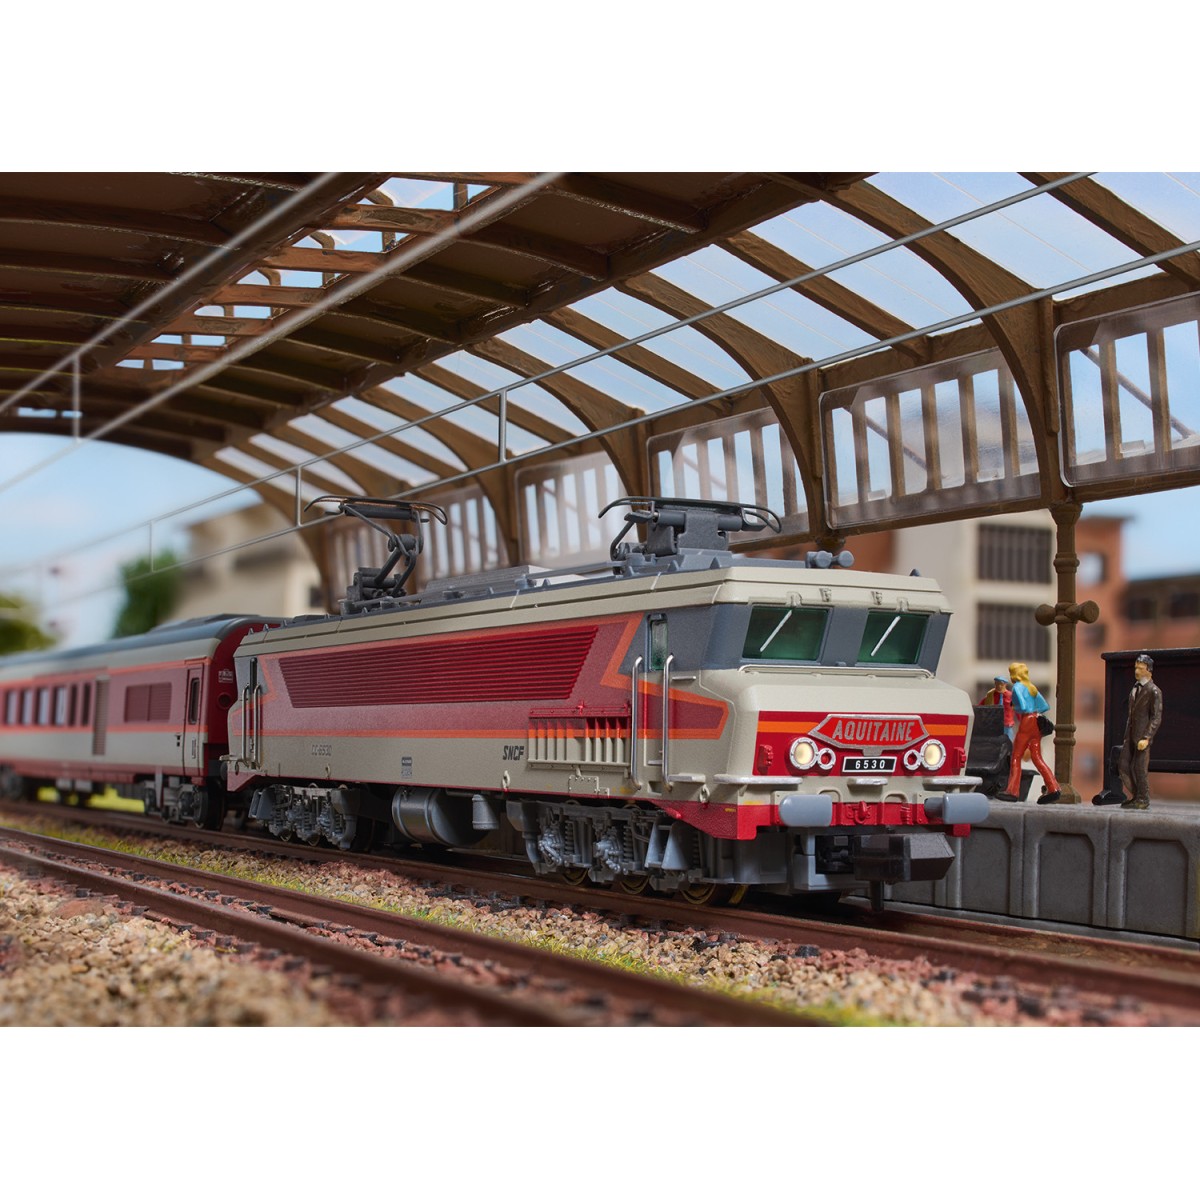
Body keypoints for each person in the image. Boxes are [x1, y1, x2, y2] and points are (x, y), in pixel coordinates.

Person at [996, 661, 1060, 804]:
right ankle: (1053, 787)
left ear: (1015, 674)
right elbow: (1044, 706)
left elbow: (1023, 707)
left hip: (1026, 722)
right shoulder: (1031, 687)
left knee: (1016, 756)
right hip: (1036, 721)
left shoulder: (1018, 688)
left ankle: (1012, 791)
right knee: (1037, 757)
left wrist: (1014, 706)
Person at [1117, 653, 1163, 811]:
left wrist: (1147, 737)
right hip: (1130, 735)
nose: (1137, 671)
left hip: (1142, 737)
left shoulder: (1154, 691)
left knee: (1140, 768)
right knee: (1123, 765)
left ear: (1149, 670)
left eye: (1141, 668)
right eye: (1136, 667)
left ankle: (1143, 798)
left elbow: (1156, 717)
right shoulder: (1134, 688)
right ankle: (1136, 795)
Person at [980, 674, 1015, 742]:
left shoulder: (1010, 696)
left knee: (1009, 741)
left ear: (1005, 685)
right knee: (994, 741)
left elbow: (1018, 707)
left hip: (1007, 723)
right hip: (994, 723)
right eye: (997, 684)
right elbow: (981, 705)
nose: (999, 686)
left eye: (1001, 684)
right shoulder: (991, 695)